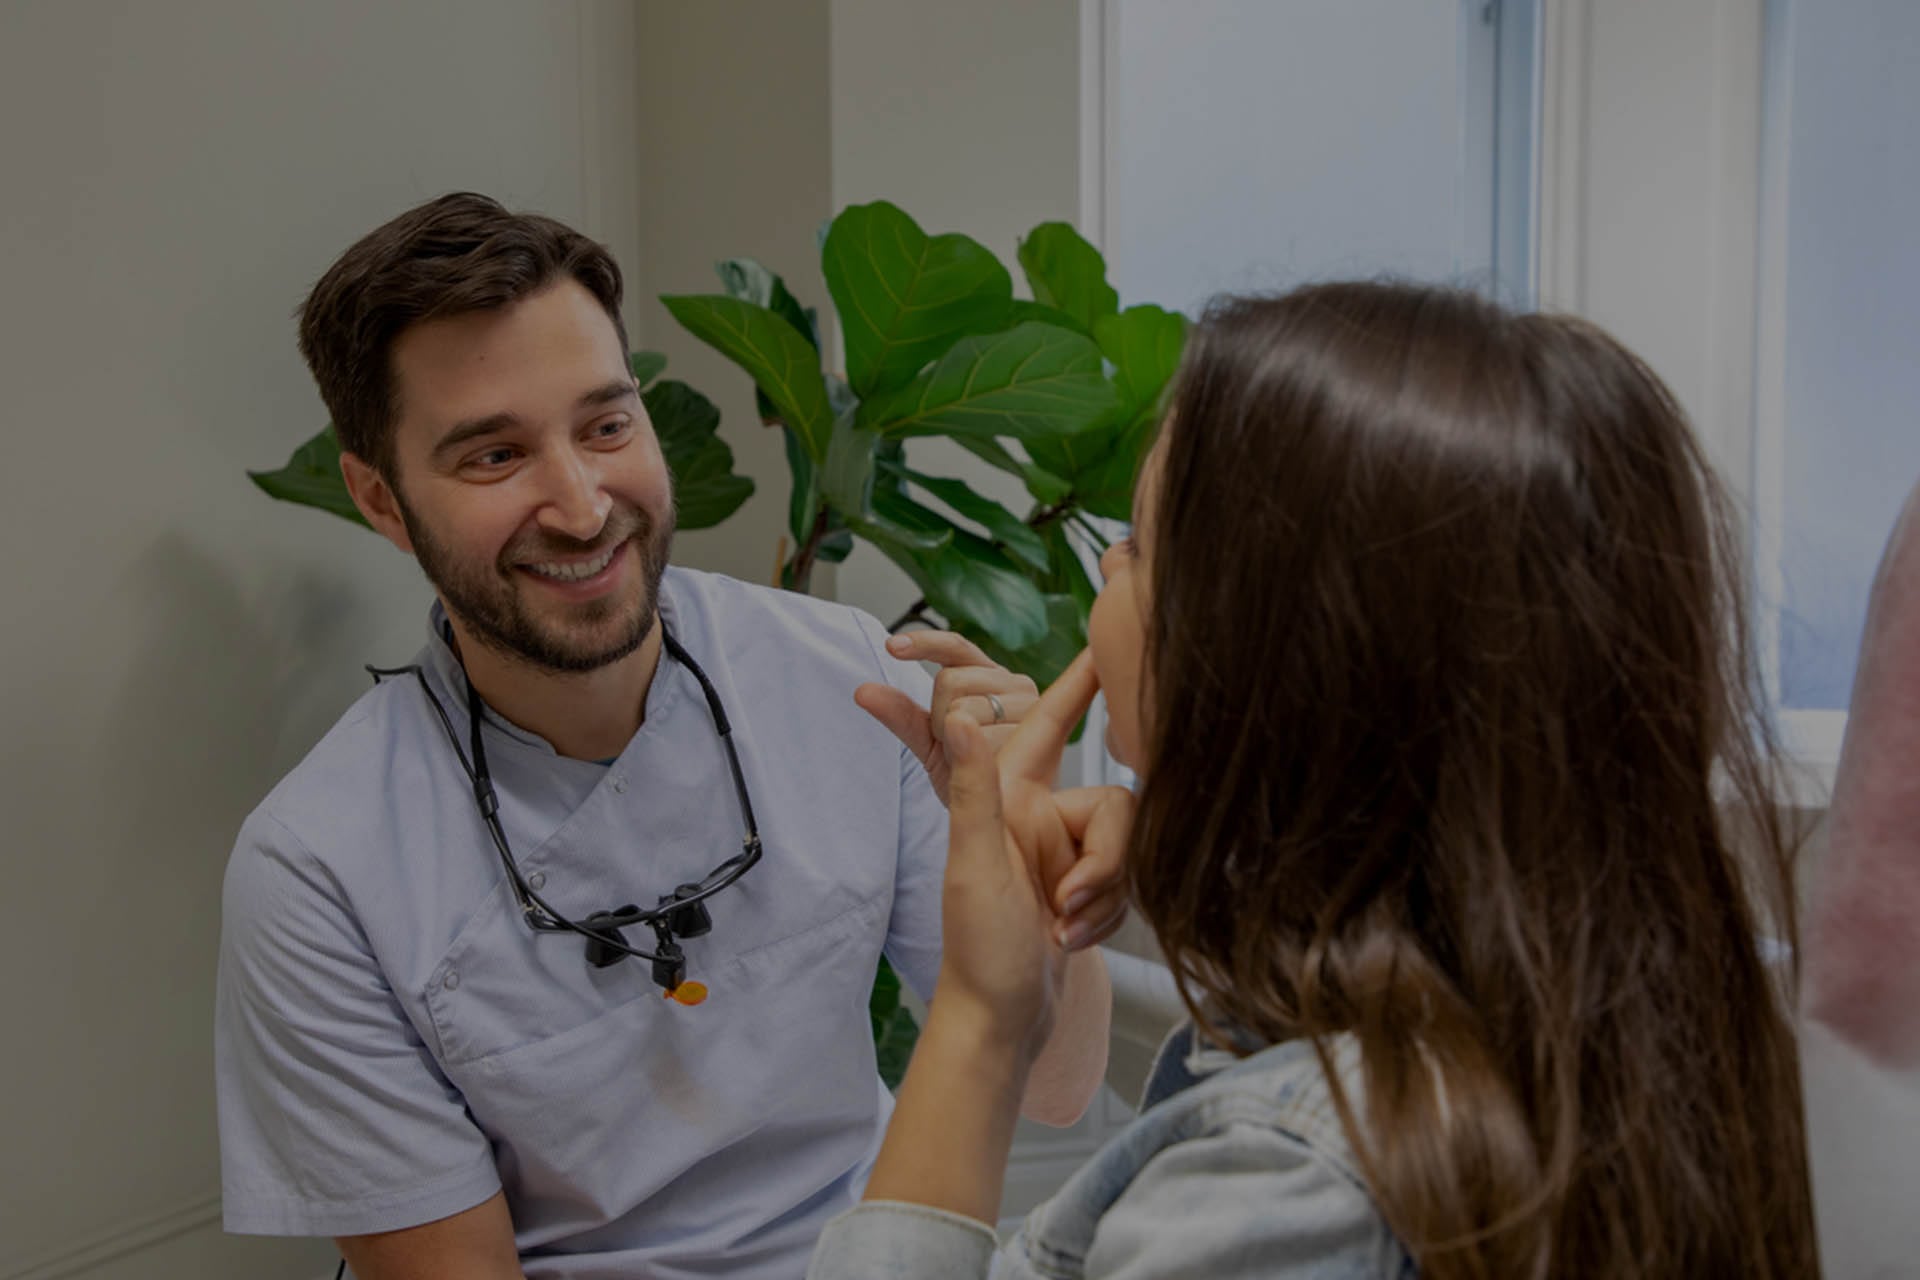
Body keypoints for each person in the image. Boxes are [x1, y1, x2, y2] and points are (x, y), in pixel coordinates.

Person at [810, 282, 1821, 1278]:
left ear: (1276, 663)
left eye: (1137, 548)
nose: (1106, 578)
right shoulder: (1585, 1038)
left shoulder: (1285, 1183)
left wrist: (979, 1022)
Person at [214, 192, 1118, 1280]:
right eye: (494, 457)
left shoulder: (854, 679)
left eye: (607, 425)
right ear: (382, 499)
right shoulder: (319, 869)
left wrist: (1028, 862)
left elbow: (1059, 1085)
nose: (584, 505)